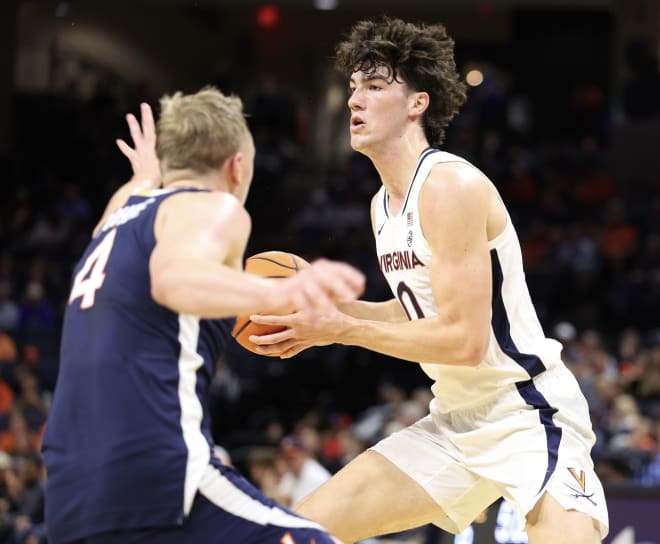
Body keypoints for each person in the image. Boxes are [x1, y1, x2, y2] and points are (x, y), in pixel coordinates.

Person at [249, 17, 609, 544]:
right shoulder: (382, 206)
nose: (355, 100)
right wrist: (330, 310)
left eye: (374, 87)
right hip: (455, 421)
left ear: (417, 103)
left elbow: (463, 341)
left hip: (528, 413)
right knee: (295, 534)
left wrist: (339, 329)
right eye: (353, 88)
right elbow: (417, 308)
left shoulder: (449, 185)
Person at [41, 87, 365, 544]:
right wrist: (282, 290)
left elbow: (144, 198)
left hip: (69, 493)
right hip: (156, 471)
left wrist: (147, 174)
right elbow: (173, 279)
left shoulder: (118, 215)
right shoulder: (216, 206)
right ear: (237, 166)